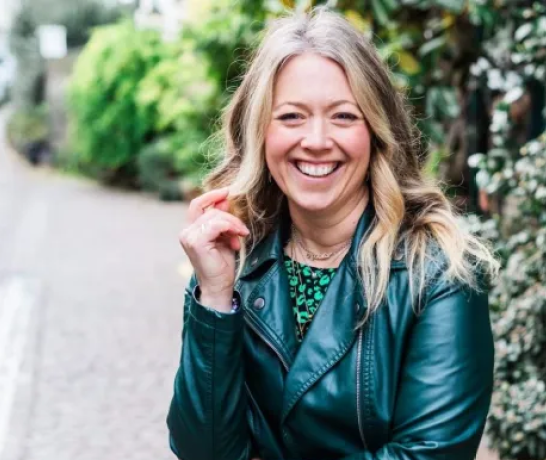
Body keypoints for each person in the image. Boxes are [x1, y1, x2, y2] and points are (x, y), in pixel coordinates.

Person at [167, 7, 499, 460]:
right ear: (260, 133)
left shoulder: (441, 272)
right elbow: (202, 451)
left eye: (343, 116)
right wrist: (215, 298)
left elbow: (425, 455)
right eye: (291, 117)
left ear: (376, 131)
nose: (317, 140)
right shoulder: (233, 262)